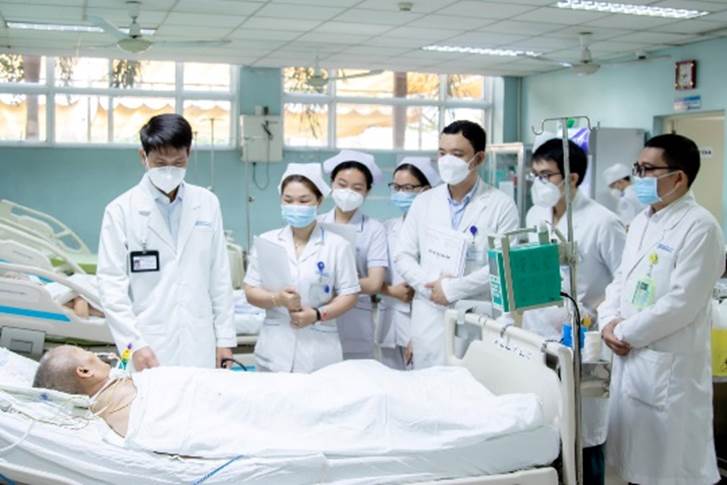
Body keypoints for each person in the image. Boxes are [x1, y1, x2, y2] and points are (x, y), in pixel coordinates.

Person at [33, 345, 545, 459]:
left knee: (360, 381)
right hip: (279, 409)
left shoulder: (125, 394)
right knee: (367, 399)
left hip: (274, 392)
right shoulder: (129, 413)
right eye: (92, 357)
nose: (103, 357)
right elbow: (193, 430)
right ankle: (493, 411)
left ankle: (451, 393)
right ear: (84, 373)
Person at [598, 134, 724, 485]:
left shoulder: (701, 227)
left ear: (678, 178)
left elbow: (682, 302)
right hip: (632, 358)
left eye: (647, 169)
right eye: (637, 168)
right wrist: (608, 320)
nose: (638, 177)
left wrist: (624, 332)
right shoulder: (641, 220)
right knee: (634, 466)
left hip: (668, 368)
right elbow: (621, 279)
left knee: (670, 469)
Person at [522, 138, 626, 485]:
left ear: (572, 178)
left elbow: (624, 279)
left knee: (584, 433)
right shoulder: (536, 215)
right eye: (535, 175)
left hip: (583, 340)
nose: (539, 182)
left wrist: (598, 313)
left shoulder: (602, 222)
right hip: (539, 333)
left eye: (546, 175)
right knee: (547, 427)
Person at [97, 114, 235, 370]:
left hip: (199, 340)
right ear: (143, 156)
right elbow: (111, 287)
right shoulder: (120, 210)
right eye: (161, 163)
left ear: (189, 154)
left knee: (199, 395)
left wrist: (225, 339)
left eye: (178, 162)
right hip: (147, 342)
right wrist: (134, 344)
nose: (170, 170)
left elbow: (220, 276)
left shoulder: (207, 203)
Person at [396, 120, 519, 368]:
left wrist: (452, 289)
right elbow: (403, 255)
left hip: (474, 314)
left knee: (471, 386)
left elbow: (503, 265)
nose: (447, 161)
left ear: (479, 158)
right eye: (442, 153)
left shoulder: (501, 205)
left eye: (457, 154)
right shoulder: (424, 202)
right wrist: (430, 288)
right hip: (429, 315)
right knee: (428, 387)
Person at [243, 163, 360, 372]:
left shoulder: (337, 245)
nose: (295, 206)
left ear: (319, 201)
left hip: (319, 349)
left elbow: (349, 295)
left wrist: (316, 314)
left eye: (304, 200)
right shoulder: (267, 241)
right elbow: (250, 291)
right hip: (275, 348)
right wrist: (277, 299)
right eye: (288, 200)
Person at [319, 150, 388, 360]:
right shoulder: (316, 224)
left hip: (356, 317)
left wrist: (332, 286)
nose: (348, 192)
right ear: (331, 184)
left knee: (356, 374)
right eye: (342, 184)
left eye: (357, 188)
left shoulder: (374, 229)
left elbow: (375, 283)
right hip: (319, 311)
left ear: (367, 191)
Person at [378, 156, 441, 370]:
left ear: (425, 190)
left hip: (421, 321)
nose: (400, 193)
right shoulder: (388, 228)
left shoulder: (437, 232)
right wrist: (390, 291)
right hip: (389, 320)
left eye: (407, 188)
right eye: (396, 187)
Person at [603, 162, 646, 227]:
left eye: (612, 186)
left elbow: (627, 223)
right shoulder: (638, 191)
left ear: (620, 181)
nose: (613, 189)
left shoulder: (626, 198)